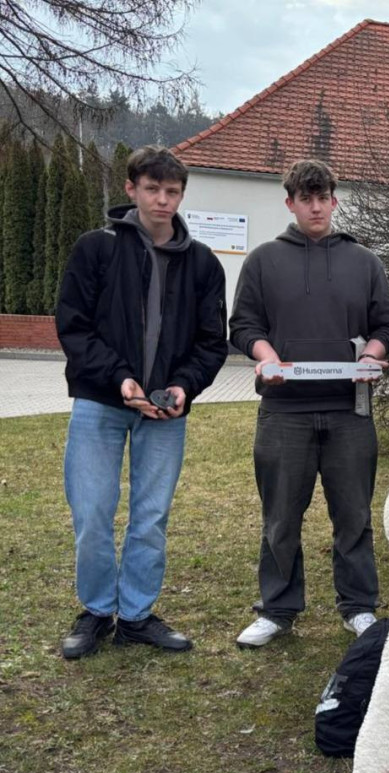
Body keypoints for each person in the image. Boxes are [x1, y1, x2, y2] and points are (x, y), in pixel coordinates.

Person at [55, 145, 228, 659]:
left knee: (150, 517)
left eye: (172, 191)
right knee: (92, 513)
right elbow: (73, 327)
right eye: (152, 189)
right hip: (101, 404)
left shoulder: (202, 263)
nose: (163, 200)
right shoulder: (96, 248)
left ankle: (135, 615)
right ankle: (95, 611)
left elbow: (210, 343)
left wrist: (182, 388)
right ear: (131, 189)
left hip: (165, 415)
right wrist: (121, 381)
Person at [229, 159, 389, 648]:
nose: (316, 206)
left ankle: (359, 606)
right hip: (284, 411)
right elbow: (243, 327)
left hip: (349, 411)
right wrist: (266, 356)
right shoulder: (262, 260)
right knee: (281, 516)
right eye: (306, 198)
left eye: (323, 197)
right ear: (291, 203)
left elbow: (387, 326)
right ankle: (277, 609)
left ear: (334, 201)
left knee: (353, 515)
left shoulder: (365, 262)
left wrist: (372, 353)